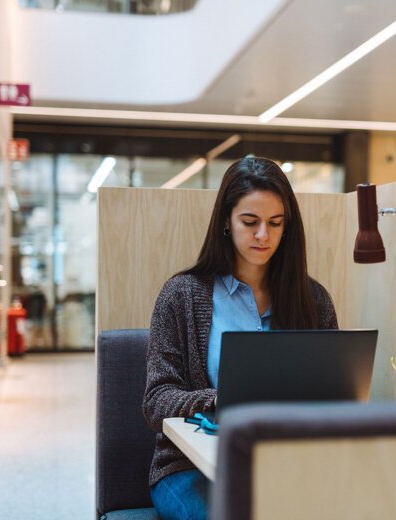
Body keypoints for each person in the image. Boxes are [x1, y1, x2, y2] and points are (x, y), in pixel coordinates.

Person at [142, 156, 338, 520]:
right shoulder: (181, 295)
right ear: (226, 224)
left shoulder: (313, 301)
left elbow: (333, 395)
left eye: (275, 223)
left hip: (286, 463)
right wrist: (224, 399)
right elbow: (157, 401)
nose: (263, 235)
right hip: (190, 468)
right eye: (250, 222)